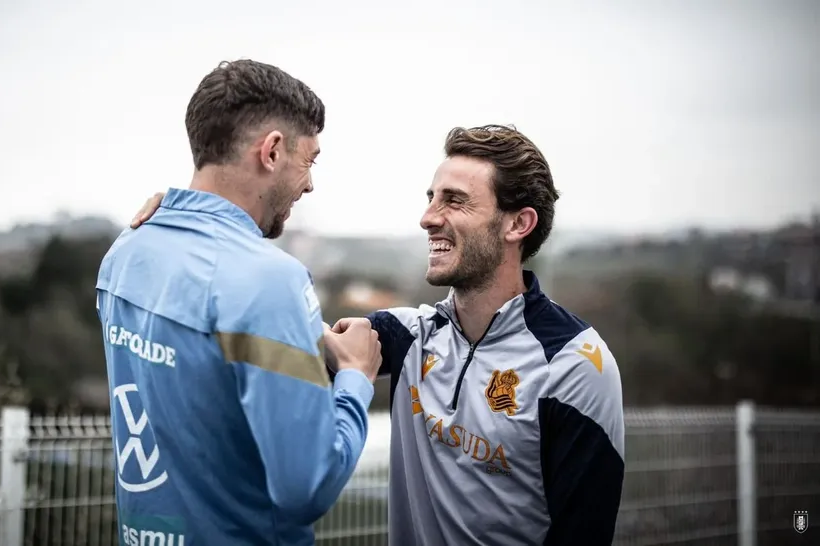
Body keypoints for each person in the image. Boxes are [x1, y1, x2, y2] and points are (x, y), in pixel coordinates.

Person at [131, 124, 626, 545]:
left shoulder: (576, 364)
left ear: (519, 223)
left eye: (453, 201)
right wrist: (193, 217)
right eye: (431, 198)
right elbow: (275, 331)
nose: (428, 216)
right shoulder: (411, 335)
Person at [97, 59, 383, 546]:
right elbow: (305, 488)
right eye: (309, 160)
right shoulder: (269, 280)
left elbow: (200, 372)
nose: (309, 184)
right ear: (271, 151)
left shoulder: (128, 249)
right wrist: (357, 377)